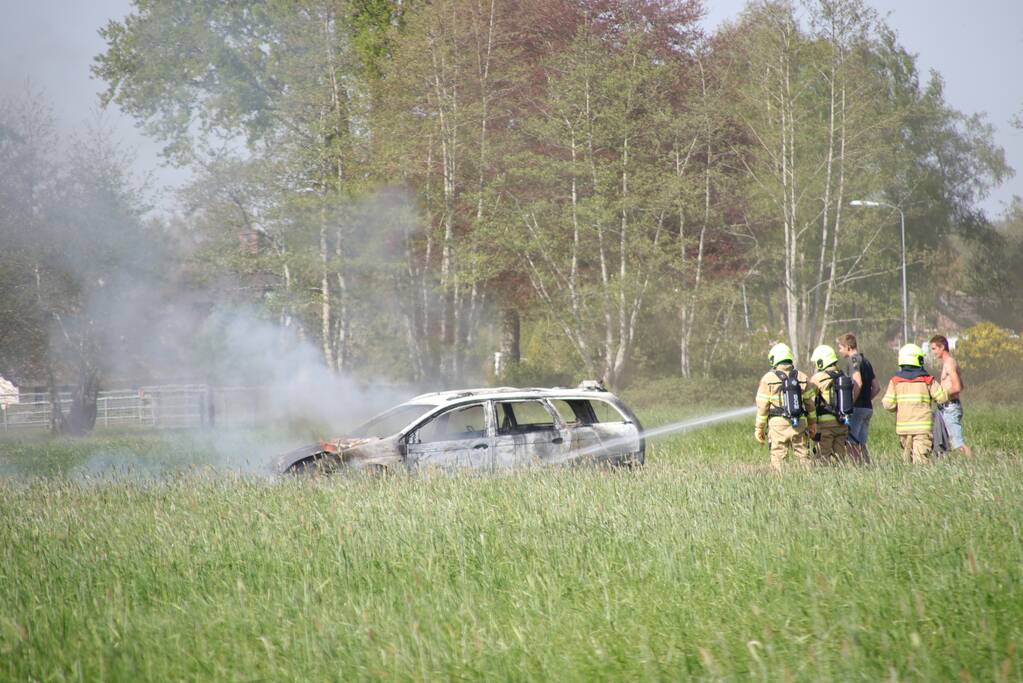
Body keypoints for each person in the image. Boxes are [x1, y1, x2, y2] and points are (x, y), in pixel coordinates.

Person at [881, 343, 949, 464]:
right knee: (921, 461)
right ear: (919, 360)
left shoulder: (895, 381)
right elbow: (942, 398)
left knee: (907, 461)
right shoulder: (927, 379)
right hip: (922, 428)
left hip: (903, 429)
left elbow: (888, 404)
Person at [754, 343, 817, 470]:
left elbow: (762, 408)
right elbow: (810, 404)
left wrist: (759, 428)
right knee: (804, 456)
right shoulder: (802, 377)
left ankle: (780, 483)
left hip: (777, 425)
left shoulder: (768, 379)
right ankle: (809, 481)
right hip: (799, 423)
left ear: (773, 360)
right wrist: (812, 423)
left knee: (778, 458)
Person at [835, 333, 880, 464]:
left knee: (851, 444)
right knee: (861, 444)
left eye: (840, 347)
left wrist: (850, 405)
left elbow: (858, 382)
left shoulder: (853, 361)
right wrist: (867, 400)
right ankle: (868, 469)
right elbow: (876, 387)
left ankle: (857, 471)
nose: (839, 350)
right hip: (867, 409)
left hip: (857, 408)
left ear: (848, 347)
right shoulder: (866, 361)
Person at [929, 335, 972, 457]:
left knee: (958, 444)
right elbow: (961, 384)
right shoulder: (948, 363)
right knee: (943, 441)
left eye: (934, 349)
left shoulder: (949, 363)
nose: (933, 352)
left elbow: (957, 387)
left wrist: (941, 395)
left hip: (950, 407)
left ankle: (974, 465)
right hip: (945, 407)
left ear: (942, 347)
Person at [808, 345, 850, 464]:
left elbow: (809, 399)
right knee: (840, 459)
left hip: (825, 426)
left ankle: (822, 481)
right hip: (842, 425)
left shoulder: (818, 378)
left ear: (821, 362)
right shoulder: (843, 376)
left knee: (822, 459)